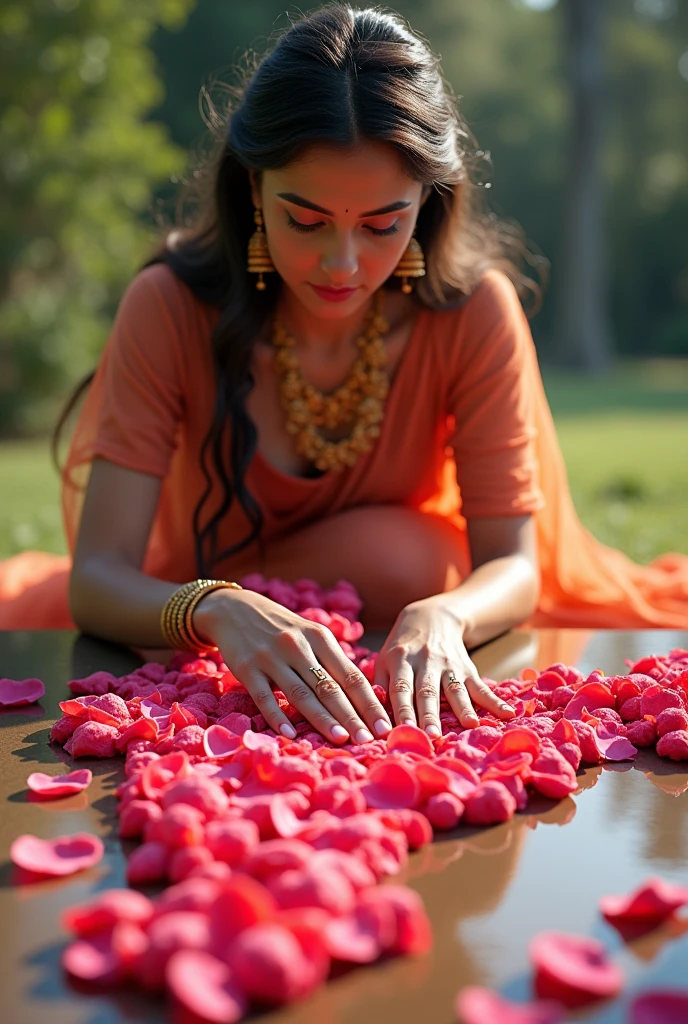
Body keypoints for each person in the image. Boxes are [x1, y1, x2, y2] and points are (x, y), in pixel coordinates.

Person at [1, 4, 687, 741]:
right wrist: (217, 607)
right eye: (306, 220)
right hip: (187, 625)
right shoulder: (170, 306)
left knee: (426, 563)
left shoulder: (472, 311)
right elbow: (100, 579)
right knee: (412, 555)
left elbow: (514, 568)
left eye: (382, 224)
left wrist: (443, 611)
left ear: (426, 203)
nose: (343, 264)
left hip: (390, 631)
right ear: (254, 190)